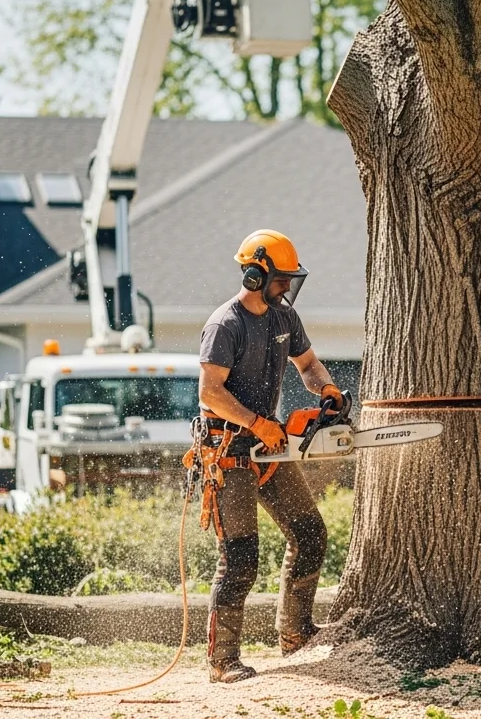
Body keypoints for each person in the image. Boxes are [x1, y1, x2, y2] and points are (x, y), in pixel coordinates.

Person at [194, 229, 345, 683]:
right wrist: (256, 422)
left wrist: (328, 389)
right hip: (227, 451)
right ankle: (223, 662)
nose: (286, 288)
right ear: (255, 275)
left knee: (310, 533)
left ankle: (295, 634)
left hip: (270, 447)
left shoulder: (284, 318)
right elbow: (210, 393)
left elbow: (309, 365)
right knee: (240, 556)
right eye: (280, 279)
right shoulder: (226, 324)